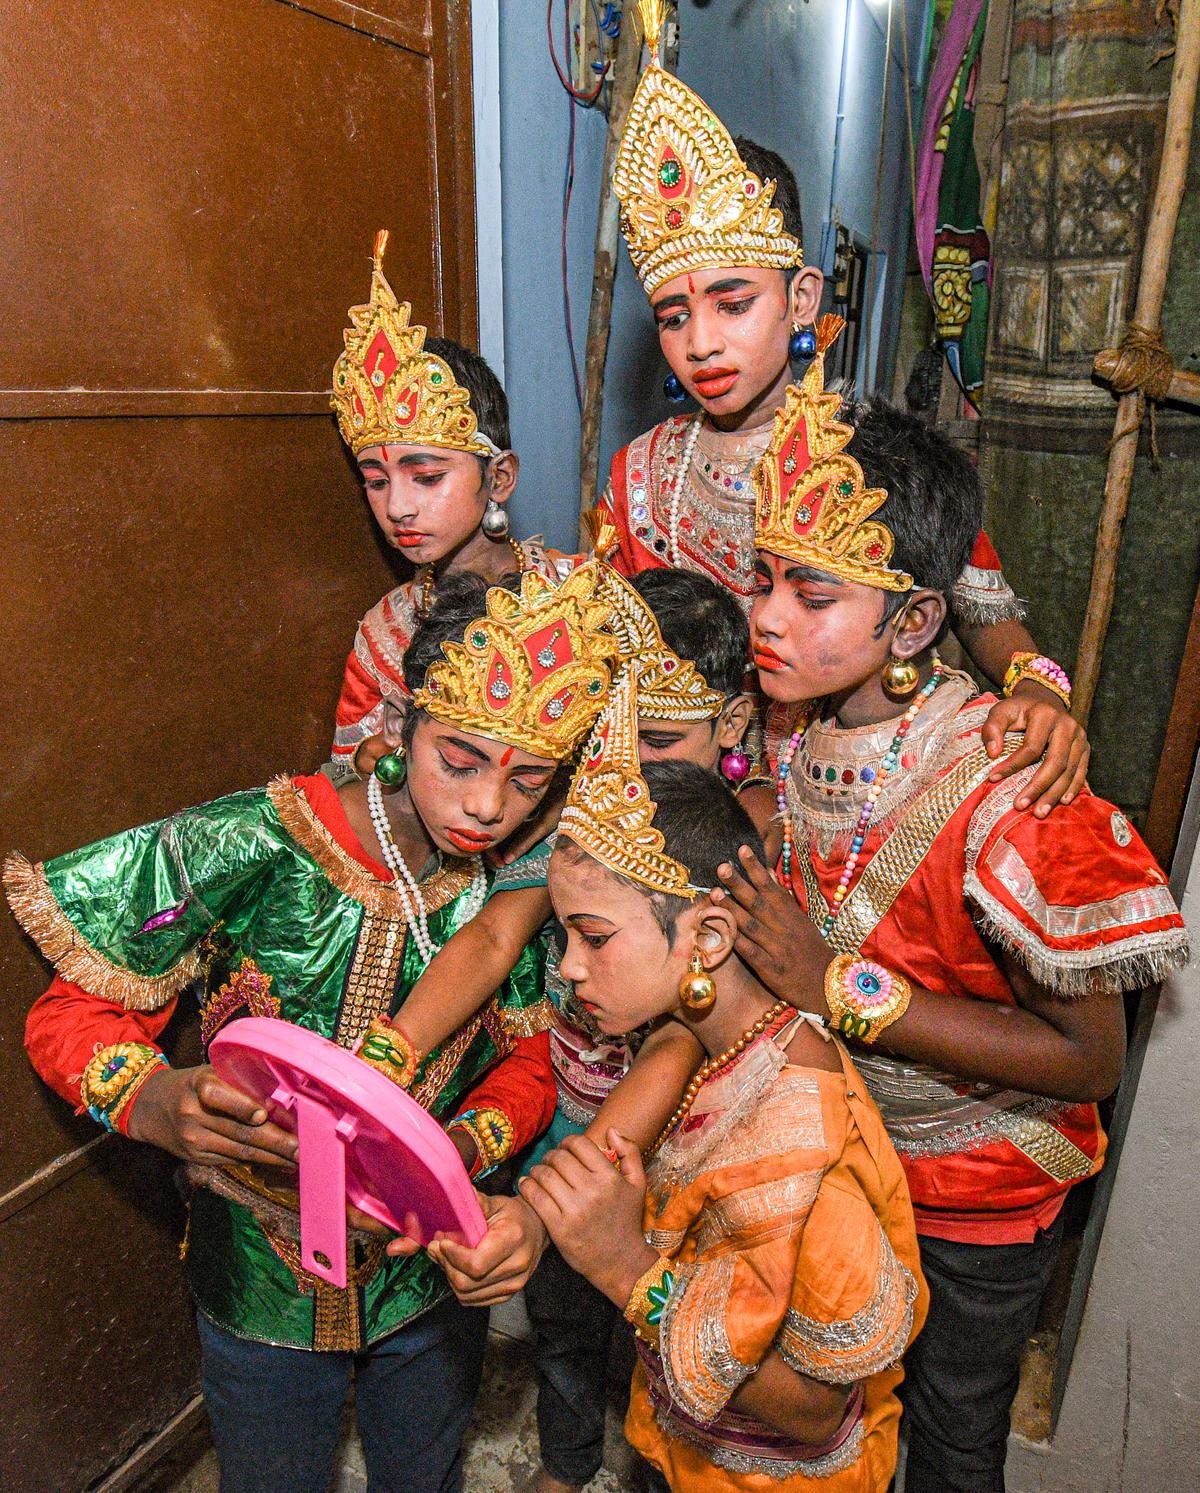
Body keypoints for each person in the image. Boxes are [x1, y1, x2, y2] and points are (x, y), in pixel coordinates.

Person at [5, 565, 621, 1493]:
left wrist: (452, 1147)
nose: (489, 805)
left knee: (424, 1469)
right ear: (399, 723)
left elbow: (532, 1060)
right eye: (459, 760)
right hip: (259, 1268)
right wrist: (150, 1095)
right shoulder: (258, 839)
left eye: (528, 778)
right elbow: (69, 1013)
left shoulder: (522, 890)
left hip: (429, 1274)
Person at [707, 331, 1189, 1492]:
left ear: (917, 622)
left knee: (952, 1438)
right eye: (763, 578)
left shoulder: (1008, 785)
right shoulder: (798, 727)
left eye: (810, 591)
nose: (768, 617)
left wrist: (839, 986)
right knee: (829, 1411)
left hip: (979, 1195)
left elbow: (1087, 1059)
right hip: (849, 1154)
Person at [596, 0, 1088, 817]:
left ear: (801, 299)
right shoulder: (639, 475)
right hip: (683, 795)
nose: (703, 343)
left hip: (853, 787)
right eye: (675, 316)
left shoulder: (876, 463)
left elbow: (987, 614)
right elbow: (616, 651)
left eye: (732, 302)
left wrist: (1045, 695)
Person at [518, 672, 928, 1491]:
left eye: (593, 936)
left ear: (705, 936)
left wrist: (626, 1269)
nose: (567, 967)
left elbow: (815, 1410)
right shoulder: (713, 1038)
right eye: (563, 932)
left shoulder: (795, 1138)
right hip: (693, 1449)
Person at [330, 229, 582, 777]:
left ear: (500, 478)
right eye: (376, 481)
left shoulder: (581, 596)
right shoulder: (383, 635)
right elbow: (346, 776)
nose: (398, 506)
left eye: (425, 476)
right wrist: (373, 767)